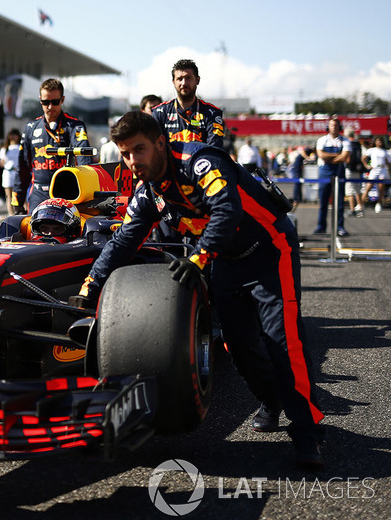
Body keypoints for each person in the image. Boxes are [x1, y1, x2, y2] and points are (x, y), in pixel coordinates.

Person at [73, 111, 325, 468]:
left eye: (139, 150)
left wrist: (199, 259)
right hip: (225, 258)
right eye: (125, 153)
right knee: (237, 345)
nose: (132, 161)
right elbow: (122, 242)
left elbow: (227, 210)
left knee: (282, 341)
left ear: (160, 142)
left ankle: (308, 430)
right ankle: (271, 401)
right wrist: (91, 285)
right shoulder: (149, 192)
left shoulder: (201, 162)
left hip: (270, 249)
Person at [15, 78, 91, 213]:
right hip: (38, 193)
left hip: (67, 191)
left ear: (62, 100)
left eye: (55, 102)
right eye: (45, 102)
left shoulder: (74, 126)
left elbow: (85, 162)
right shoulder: (30, 128)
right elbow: (23, 167)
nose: (50, 107)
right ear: (40, 100)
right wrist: (17, 201)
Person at [150, 59, 225, 148]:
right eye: (179, 79)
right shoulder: (160, 113)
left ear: (197, 80)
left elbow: (215, 150)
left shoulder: (212, 113)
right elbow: (154, 149)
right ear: (173, 82)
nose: (184, 83)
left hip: (201, 161)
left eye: (188, 78)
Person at [313, 117, 350, 236]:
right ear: (328, 127)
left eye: (336, 125)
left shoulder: (345, 141)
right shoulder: (322, 140)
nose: (334, 127)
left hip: (339, 172)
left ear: (340, 127)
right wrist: (336, 156)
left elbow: (344, 157)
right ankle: (321, 226)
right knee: (323, 201)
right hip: (324, 172)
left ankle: (340, 227)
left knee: (339, 202)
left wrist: (331, 159)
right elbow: (320, 154)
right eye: (331, 125)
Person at [361, 136, 390, 213]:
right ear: (375, 142)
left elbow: (388, 162)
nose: (379, 142)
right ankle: (361, 204)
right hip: (374, 170)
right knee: (368, 187)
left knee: (381, 189)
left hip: (382, 170)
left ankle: (379, 203)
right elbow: (363, 158)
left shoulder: (385, 151)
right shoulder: (372, 150)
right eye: (378, 141)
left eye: (381, 141)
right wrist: (367, 165)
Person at [0, 129, 21, 216]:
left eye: (15, 135)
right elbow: (1, 163)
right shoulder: (5, 149)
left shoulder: (21, 147)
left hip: (18, 172)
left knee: (19, 195)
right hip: (8, 173)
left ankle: (21, 212)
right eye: (12, 135)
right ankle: (11, 214)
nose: (14, 137)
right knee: (9, 196)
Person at [344, 129, 366, 217]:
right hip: (357, 168)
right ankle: (360, 208)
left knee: (350, 190)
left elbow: (348, 157)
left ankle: (352, 209)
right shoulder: (358, 144)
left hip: (350, 168)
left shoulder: (348, 143)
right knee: (357, 189)